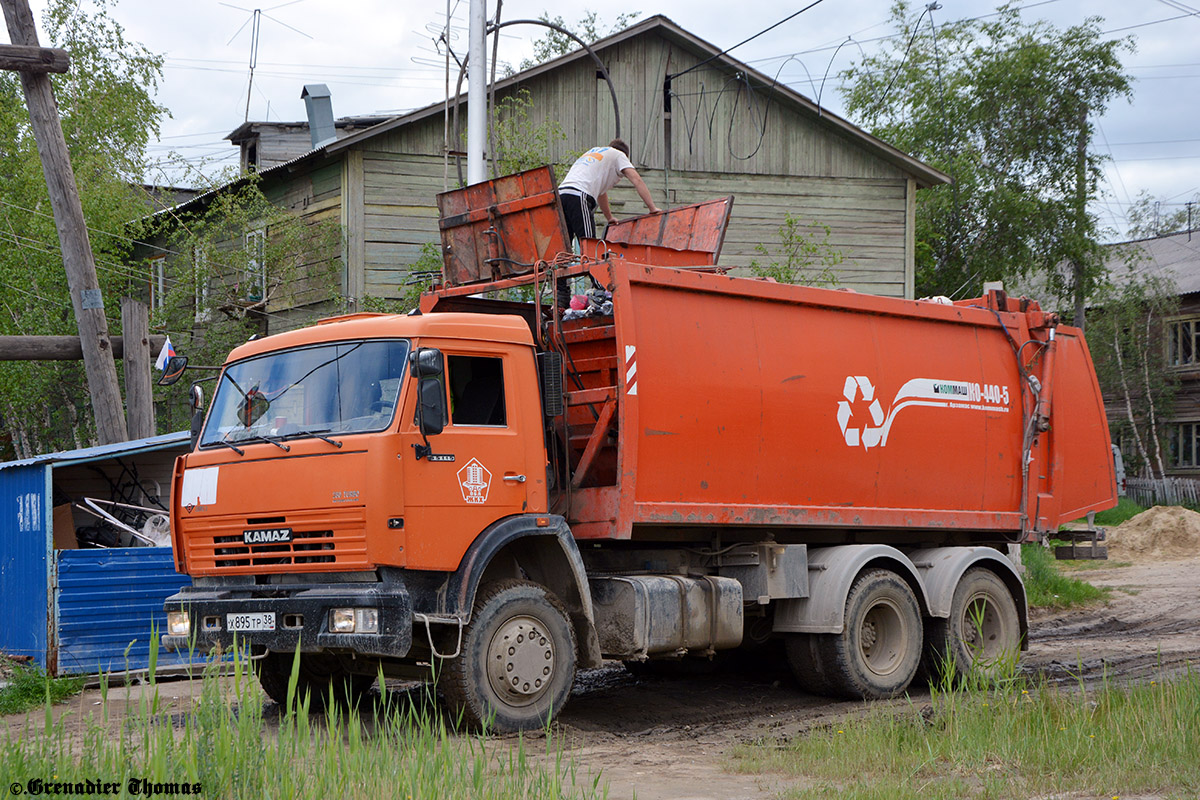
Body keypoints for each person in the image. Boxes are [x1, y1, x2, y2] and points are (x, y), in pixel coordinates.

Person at [557, 138, 661, 306]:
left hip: (560, 195)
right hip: (579, 195)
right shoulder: (619, 155)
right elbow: (636, 179)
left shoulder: (596, 152)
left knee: (563, 251)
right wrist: (652, 207)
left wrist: (609, 218)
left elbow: (601, 193)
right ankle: (599, 291)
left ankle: (561, 296)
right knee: (589, 247)